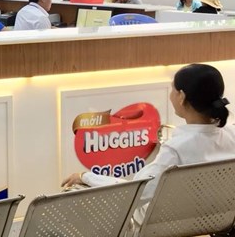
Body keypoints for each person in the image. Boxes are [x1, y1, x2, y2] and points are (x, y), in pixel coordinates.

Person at [62, 63, 235, 235]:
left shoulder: (175, 150)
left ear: (181, 97)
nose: (170, 95)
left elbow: (133, 193)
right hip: (212, 224)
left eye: (172, 89)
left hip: (159, 229)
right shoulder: (231, 135)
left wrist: (86, 177)